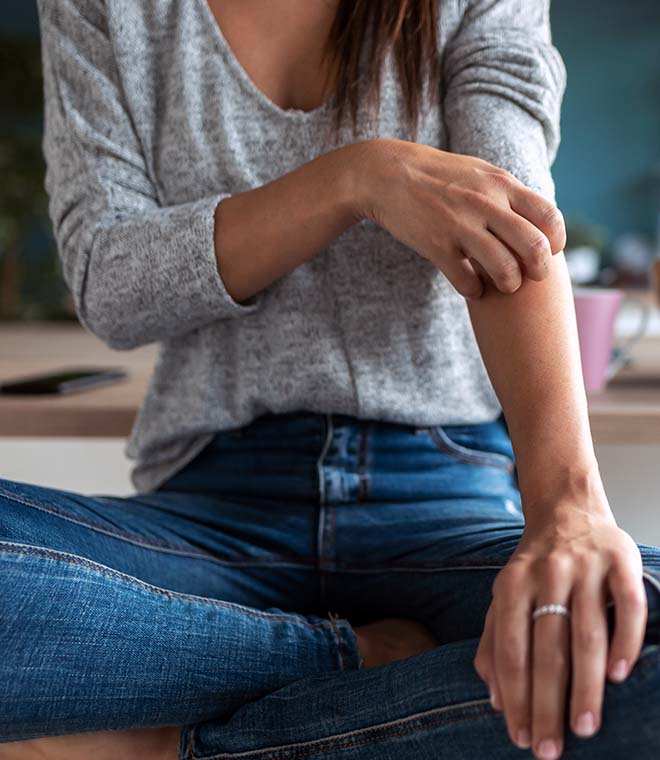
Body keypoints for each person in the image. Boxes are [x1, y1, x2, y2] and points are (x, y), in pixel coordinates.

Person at [2, 1, 659, 759]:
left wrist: (568, 509)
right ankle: (368, 669)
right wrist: (358, 178)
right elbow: (108, 278)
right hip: (215, 512)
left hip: (444, 502)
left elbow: (514, 223)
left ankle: (170, 744)